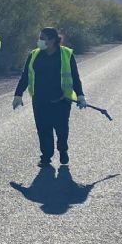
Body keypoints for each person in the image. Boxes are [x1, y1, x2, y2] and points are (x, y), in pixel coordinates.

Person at [13, 27, 87, 167]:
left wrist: (80, 95)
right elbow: (25, 76)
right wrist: (18, 94)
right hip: (40, 100)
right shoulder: (34, 55)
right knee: (43, 129)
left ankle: (63, 150)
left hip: (61, 100)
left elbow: (75, 77)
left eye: (43, 38)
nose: (39, 41)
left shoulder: (66, 54)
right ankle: (46, 156)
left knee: (61, 129)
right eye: (39, 38)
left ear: (52, 40)